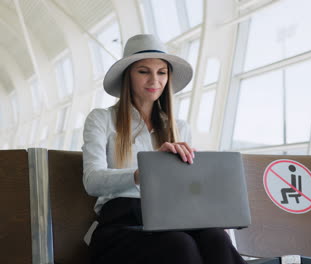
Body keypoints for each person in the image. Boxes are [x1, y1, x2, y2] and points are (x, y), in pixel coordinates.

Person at [82, 34, 246, 264]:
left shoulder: (178, 128)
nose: (154, 80)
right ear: (127, 75)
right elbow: (92, 180)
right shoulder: (101, 119)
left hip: (171, 219)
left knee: (217, 239)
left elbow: (186, 190)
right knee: (179, 244)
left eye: (162, 72)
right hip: (122, 223)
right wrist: (145, 172)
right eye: (143, 71)